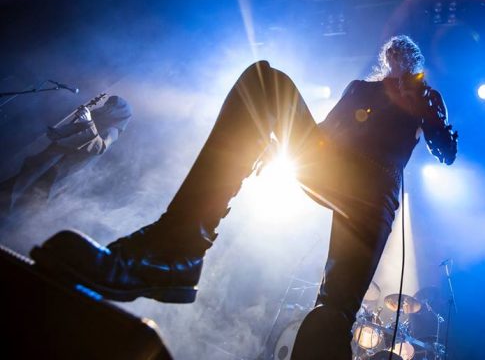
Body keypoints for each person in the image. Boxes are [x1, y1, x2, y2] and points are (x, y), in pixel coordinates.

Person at [31, 36, 457, 359]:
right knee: (264, 82)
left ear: (414, 63)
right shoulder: (361, 89)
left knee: (333, 311)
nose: (399, 62)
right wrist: (280, 141)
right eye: (394, 55)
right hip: (336, 166)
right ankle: (177, 247)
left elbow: (447, 151)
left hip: (376, 193)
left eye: (407, 57)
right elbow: (327, 132)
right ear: (387, 58)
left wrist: (425, 112)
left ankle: (320, 341)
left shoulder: (426, 98)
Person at [0, 95, 132, 212]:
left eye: (111, 105)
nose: (107, 106)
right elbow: (74, 132)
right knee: (18, 184)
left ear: (119, 112)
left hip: (58, 168)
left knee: (29, 197)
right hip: (49, 160)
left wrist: (88, 123)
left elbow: (100, 147)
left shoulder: (113, 130)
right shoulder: (97, 119)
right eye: (108, 103)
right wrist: (62, 131)